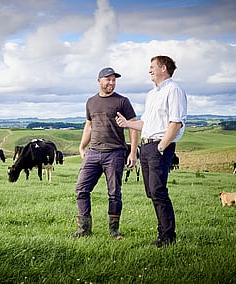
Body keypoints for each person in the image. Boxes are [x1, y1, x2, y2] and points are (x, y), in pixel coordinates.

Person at [116, 55, 187, 247]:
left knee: (158, 190)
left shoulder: (174, 90)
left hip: (158, 147)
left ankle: (167, 237)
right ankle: (163, 233)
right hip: (146, 146)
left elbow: (176, 122)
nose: (149, 71)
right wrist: (127, 123)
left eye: (152, 67)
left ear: (163, 68)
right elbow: (146, 124)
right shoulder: (152, 94)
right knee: (151, 192)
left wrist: (162, 146)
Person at [72, 67, 139, 239]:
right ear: (99, 81)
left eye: (114, 80)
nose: (111, 82)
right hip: (93, 152)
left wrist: (132, 152)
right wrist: (82, 147)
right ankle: (84, 230)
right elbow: (89, 126)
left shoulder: (123, 101)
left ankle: (114, 230)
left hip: (115, 153)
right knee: (81, 189)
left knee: (114, 192)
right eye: (108, 79)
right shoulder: (91, 102)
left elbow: (133, 126)